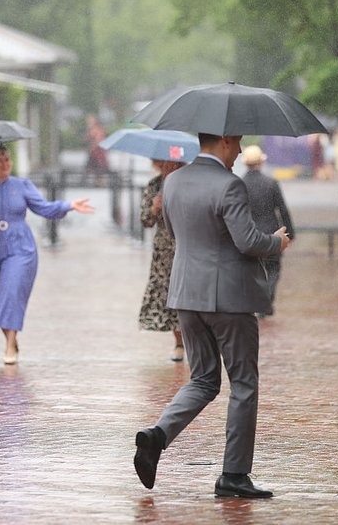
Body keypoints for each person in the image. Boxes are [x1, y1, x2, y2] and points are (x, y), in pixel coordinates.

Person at [133, 133, 290, 498]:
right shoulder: (229, 185)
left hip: (186, 294)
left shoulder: (172, 183)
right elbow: (247, 240)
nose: (237, 153)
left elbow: (173, 232)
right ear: (223, 141)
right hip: (229, 299)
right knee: (243, 383)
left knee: (203, 379)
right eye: (236, 145)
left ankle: (157, 436)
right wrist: (276, 242)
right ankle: (234, 474)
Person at [0, 144, 94, 365]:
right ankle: (11, 337)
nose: (4, 165)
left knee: (11, 292)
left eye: (8, 160)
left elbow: (43, 208)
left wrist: (69, 206)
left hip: (21, 248)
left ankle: (9, 346)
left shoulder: (22, 185)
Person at [138, 160, 185, 362]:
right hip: (164, 251)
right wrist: (155, 208)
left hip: (189, 244)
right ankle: (179, 342)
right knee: (169, 295)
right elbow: (145, 220)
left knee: (191, 294)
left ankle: (197, 341)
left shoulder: (189, 182)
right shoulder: (154, 185)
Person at [241, 145, 295, 317]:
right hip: (272, 233)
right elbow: (283, 210)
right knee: (273, 269)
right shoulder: (271, 183)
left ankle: (259, 302)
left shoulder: (238, 184)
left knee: (252, 270)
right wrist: (290, 234)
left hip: (249, 235)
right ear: (261, 162)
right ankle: (266, 301)